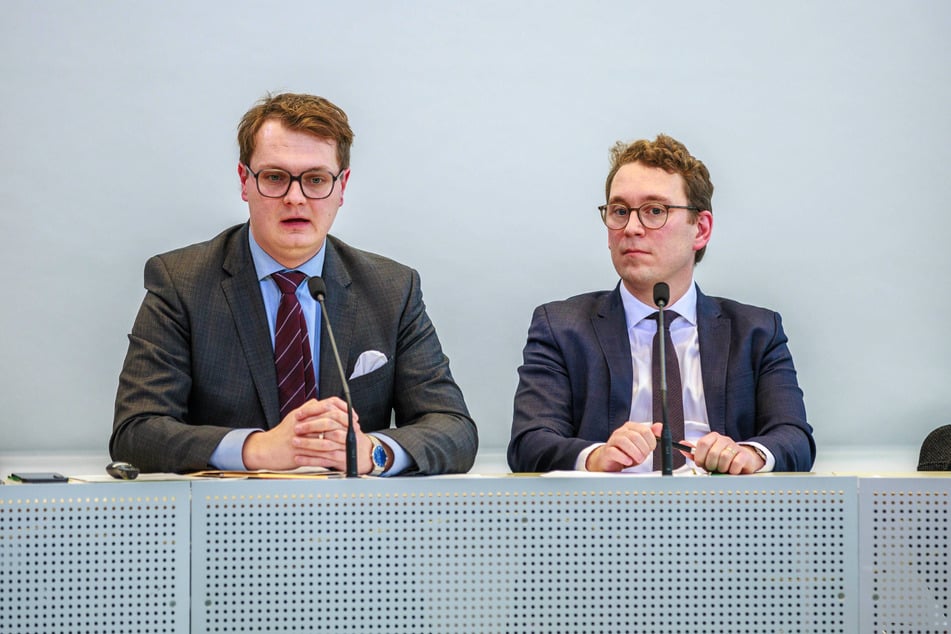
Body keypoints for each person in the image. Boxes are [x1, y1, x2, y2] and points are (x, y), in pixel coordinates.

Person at [111, 92, 477, 475]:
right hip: (225, 521)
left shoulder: (392, 289)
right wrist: (255, 448)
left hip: (357, 524)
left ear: (342, 187)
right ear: (244, 181)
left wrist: (374, 451)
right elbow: (136, 432)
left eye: (316, 179)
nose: (295, 198)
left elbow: (455, 429)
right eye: (275, 177)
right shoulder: (181, 283)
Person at [508, 134, 814, 474]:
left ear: (700, 229)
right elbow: (529, 442)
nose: (632, 228)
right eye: (620, 211)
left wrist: (748, 454)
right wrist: (595, 457)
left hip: (721, 517)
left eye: (655, 211)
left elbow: (794, 437)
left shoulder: (756, 332)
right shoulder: (561, 328)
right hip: (603, 518)